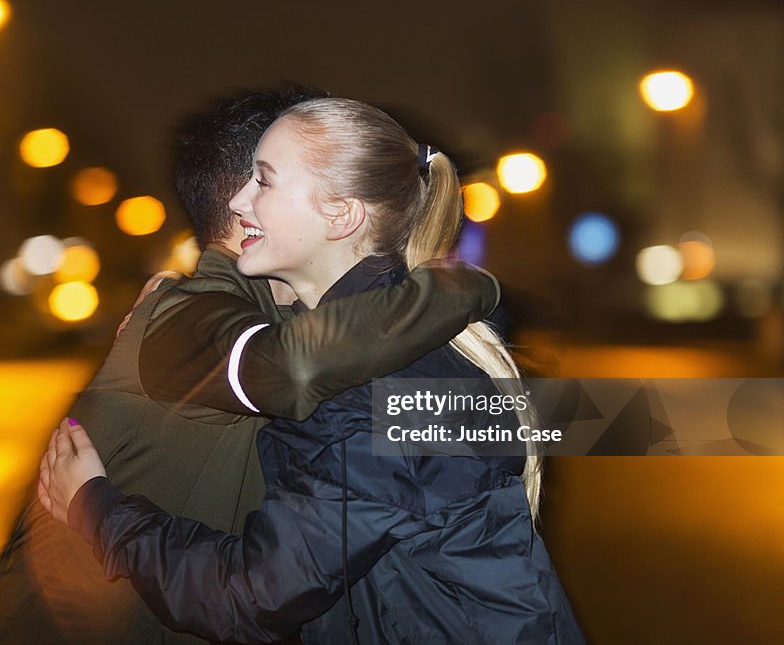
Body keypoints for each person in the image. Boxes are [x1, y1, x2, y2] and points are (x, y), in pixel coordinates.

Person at [40, 98, 585, 644]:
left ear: (341, 214)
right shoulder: (385, 351)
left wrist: (96, 509)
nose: (237, 200)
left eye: (264, 181)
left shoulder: (369, 390)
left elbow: (254, 596)